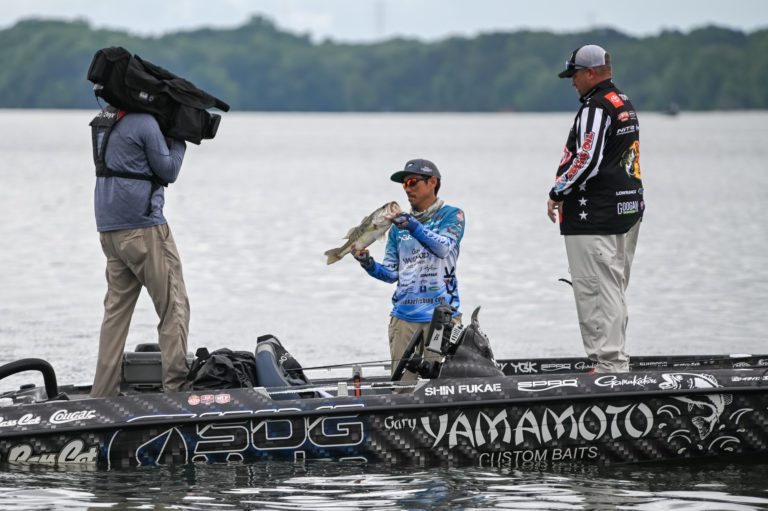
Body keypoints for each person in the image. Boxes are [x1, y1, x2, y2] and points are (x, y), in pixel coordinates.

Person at [547, 45, 644, 374]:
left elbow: (586, 158)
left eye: (574, 75)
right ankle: (613, 362)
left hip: (595, 216)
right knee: (612, 288)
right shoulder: (622, 102)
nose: (572, 82)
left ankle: (609, 368)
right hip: (625, 210)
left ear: (591, 73)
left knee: (595, 291)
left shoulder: (596, 107)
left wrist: (558, 190)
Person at [89, 105, 190, 397]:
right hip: (144, 230)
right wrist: (180, 139)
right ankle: (177, 389)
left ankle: (103, 394)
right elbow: (168, 170)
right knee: (174, 307)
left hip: (109, 230)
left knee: (115, 315)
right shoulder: (145, 122)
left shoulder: (103, 120)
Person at [352, 159, 465, 381]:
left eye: (413, 182)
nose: (407, 188)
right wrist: (368, 263)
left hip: (441, 317)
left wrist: (413, 226)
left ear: (432, 182)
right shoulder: (397, 227)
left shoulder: (453, 215)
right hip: (404, 317)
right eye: (404, 184)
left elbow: (442, 248)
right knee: (401, 390)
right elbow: (392, 274)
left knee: (442, 388)